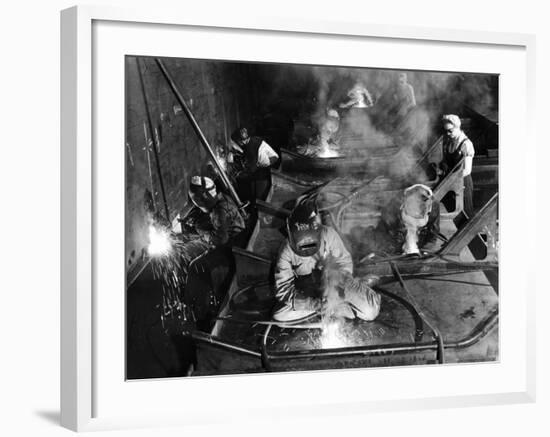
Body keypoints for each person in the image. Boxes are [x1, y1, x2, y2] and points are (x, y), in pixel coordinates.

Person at [272, 201, 381, 323]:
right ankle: (336, 309)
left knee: (371, 311)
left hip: (336, 284)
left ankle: (354, 291)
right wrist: (314, 304)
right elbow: (283, 288)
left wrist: (333, 285)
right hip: (309, 290)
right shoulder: (286, 250)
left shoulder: (328, 235)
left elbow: (344, 262)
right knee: (279, 315)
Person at [378, 184, 440, 255]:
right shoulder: (393, 207)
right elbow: (384, 234)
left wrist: (426, 250)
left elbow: (433, 236)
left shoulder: (434, 206)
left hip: (420, 246)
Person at [230, 127, 279, 202]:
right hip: (270, 165)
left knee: (256, 195)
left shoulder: (251, 148)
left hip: (268, 169)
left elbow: (252, 169)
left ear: (241, 141)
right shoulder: (253, 140)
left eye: (237, 142)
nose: (237, 144)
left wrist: (239, 175)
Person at [441, 114, 475, 217]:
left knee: (466, 214)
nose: (448, 133)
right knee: (455, 214)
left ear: (457, 127)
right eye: (446, 131)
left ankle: (470, 233)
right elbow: (446, 162)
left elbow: (467, 170)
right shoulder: (448, 141)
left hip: (463, 183)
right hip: (451, 183)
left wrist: (451, 180)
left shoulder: (466, 144)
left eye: (450, 130)